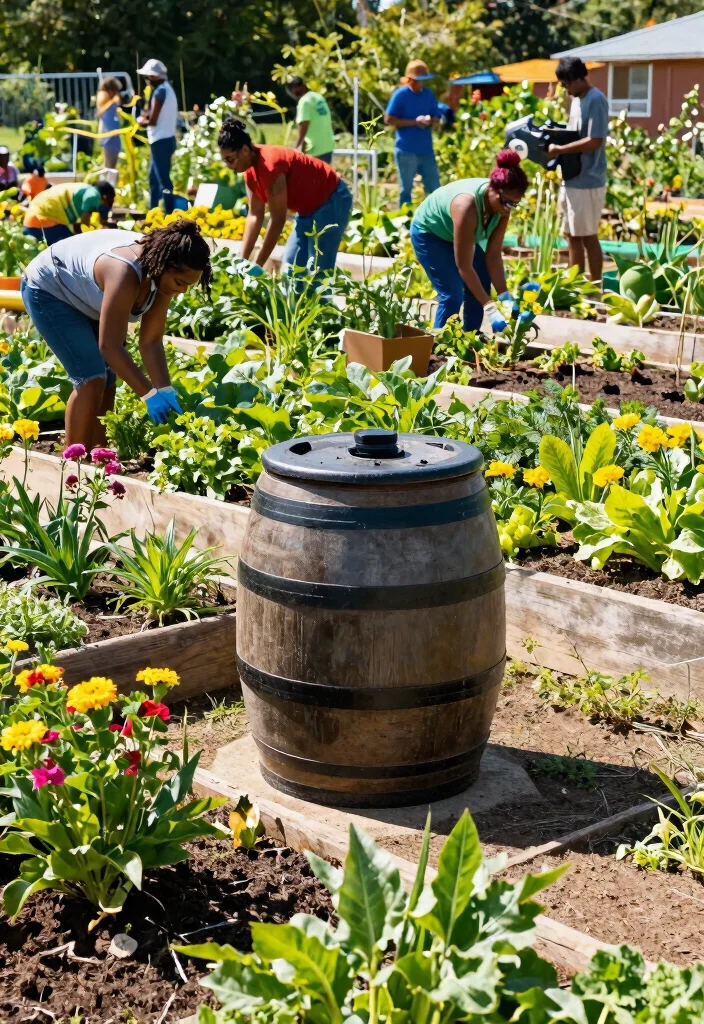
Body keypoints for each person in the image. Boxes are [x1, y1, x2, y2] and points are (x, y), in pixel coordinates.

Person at [21, 220, 211, 447]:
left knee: (109, 377)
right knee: (91, 379)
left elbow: (150, 341)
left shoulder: (163, 275)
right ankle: (73, 469)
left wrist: (165, 390)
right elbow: (109, 346)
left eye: (188, 286)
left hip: (86, 296)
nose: (181, 291)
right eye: (180, 283)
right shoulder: (124, 271)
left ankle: (99, 458)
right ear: (163, 266)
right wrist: (149, 395)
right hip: (50, 289)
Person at [411, 150, 532, 332]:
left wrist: (504, 296)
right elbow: (464, 267)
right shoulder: (466, 207)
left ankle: (471, 337)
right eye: (507, 202)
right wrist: (490, 308)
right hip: (430, 233)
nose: (509, 208)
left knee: (482, 283)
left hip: (456, 233)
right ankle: (438, 346)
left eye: (514, 204)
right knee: (452, 295)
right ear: (492, 189)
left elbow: (493, 256)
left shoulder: (502, 209)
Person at [218, 119, 352, 273]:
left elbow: (277, 219)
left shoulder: (270, 167)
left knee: (318, 270)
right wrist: (242, 260)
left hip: (332, 198)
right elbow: (255, 215)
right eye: (225, 161)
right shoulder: (250, 172)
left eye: (230, 159)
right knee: (291, 266)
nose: (229, 166)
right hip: (307, 208)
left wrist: (257, 266)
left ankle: (322, 298)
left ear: (245, 150)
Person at [549, 56, 609, 282]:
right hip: (572, 177)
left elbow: (595, 140)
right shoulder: (576, 100)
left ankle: (595, 286)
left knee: (587, 236)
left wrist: (561, 149)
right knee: (571, 234)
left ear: (579, 79)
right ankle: (575, 285)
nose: (565, 90)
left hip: (588, 179)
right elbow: (575, 132)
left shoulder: (596, 100)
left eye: (566, 84)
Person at [384, 60, 441, 208]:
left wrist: (430, 121)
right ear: (409, 79)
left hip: (426, 150)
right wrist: (415, 122)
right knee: (406, 191)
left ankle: (435, 220)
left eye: (422, 81)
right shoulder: (401, 95)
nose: (419, 84)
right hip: (406, 150)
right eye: (417, 80)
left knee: (434, 189)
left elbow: (437, 117)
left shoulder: (428, 94)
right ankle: (405, 223)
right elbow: (389, 119)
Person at [137, 59, 179, 213]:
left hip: (161, 140)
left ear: (153, 77)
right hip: (166, 139)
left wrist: (141, 120)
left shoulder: (160, 91)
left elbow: (152, 120)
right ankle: (152, 212)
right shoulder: (167, 88)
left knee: (164, 182)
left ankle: (169, 213)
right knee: (153, 180)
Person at [23, 180, 115, 245]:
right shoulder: (94, 194)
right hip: (44, 220)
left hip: (32, 219)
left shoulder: (83, 188)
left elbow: (78, 225)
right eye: (108, 202)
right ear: (104, 197)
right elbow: (84, 224)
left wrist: (103, 223)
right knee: (70, 248)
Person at [287, 76, 335, 165]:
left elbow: (304, 124)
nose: (292, 90)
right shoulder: (318, 97)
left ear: (302, 86)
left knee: (312, 178)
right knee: (324, 177)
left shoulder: (304, 101)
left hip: (315, 149)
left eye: (293, 87)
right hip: (328, 145)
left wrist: (297, 146)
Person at [96, 76, 123, 180]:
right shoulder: (103, 95)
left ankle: (109, 184)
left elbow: (119, 102)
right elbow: (103, 108)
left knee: (112, 164)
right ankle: (106, 185)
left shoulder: (111, 97)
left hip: (114, 132)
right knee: (109, 164)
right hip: (108, 133)